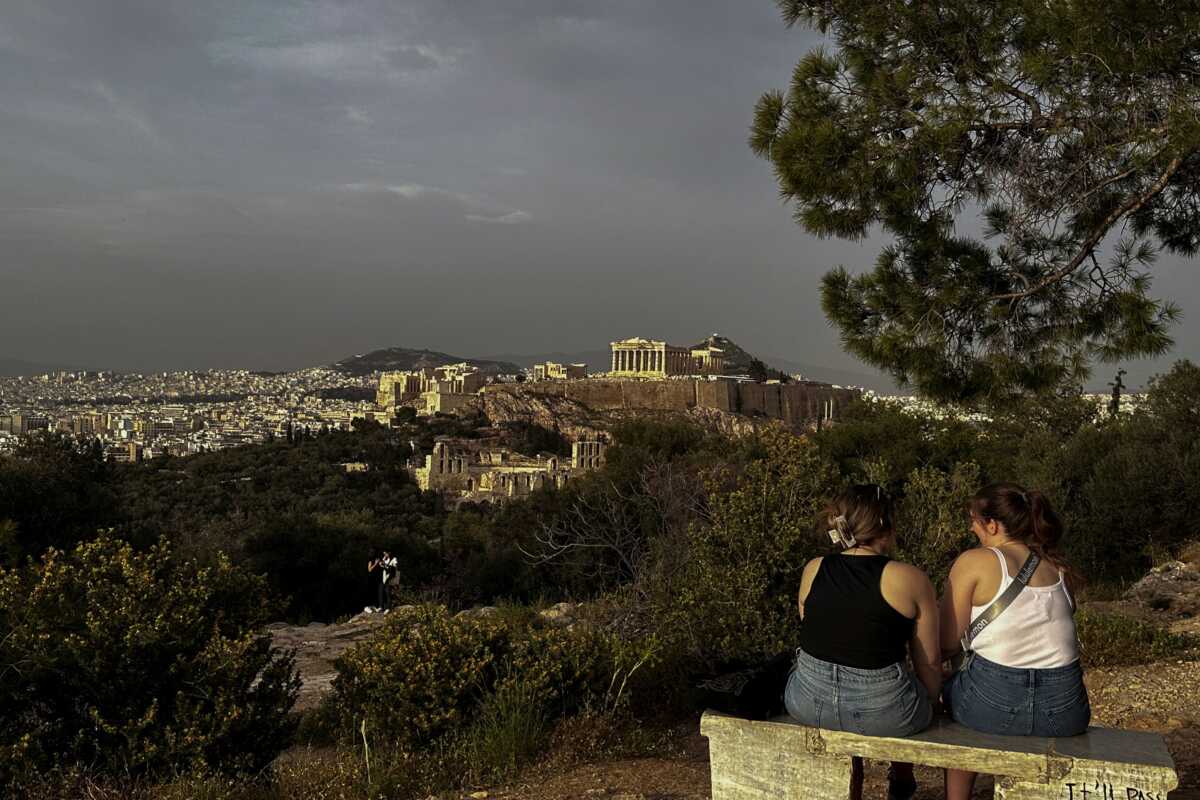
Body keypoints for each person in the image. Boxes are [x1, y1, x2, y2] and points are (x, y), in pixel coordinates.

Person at [786, 485, 941, 800]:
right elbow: (929, 661)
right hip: (886, 712)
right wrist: (932, 703)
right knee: (910, 683)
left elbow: (817, 631)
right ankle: (901, 774)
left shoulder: (814, 568)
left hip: (808, 703)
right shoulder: (909, 578)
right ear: (886, 526)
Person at [940, 482, 1089, 800]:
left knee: (953, 700)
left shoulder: (975, 561)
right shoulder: (1056, 568)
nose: (971, 527)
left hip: (993, 704)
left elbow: (948, 642)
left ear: (991, 525)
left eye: (974, 520)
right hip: (1064, 712)